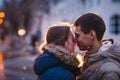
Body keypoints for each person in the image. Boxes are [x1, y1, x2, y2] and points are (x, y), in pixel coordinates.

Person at [73, 12, 120, 80]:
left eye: (77, 35)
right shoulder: (90, 59)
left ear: (92, 35)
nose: (74, 39)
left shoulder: (109, 70)